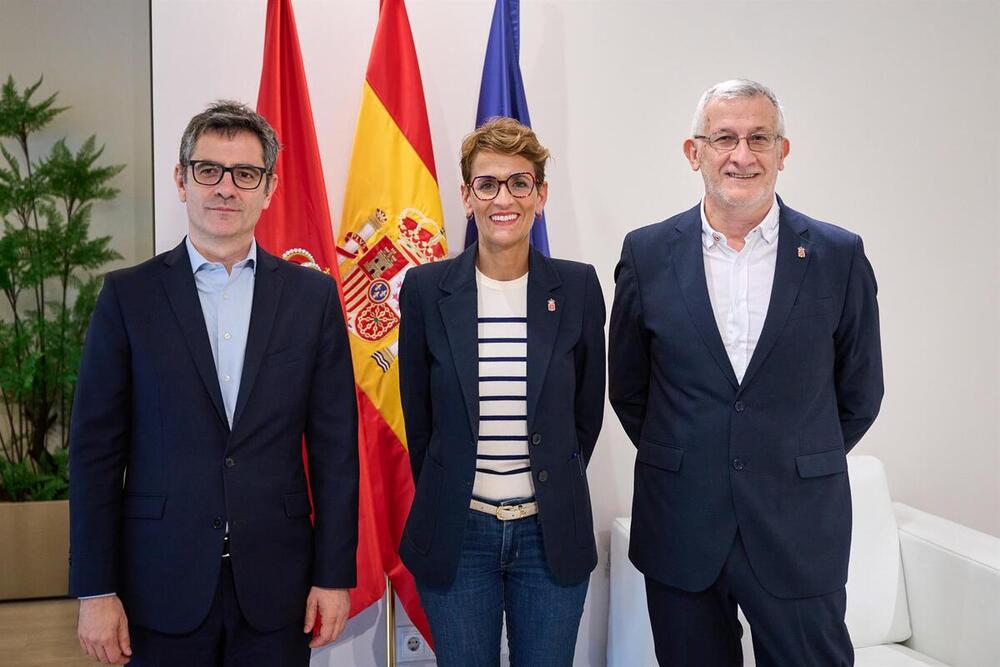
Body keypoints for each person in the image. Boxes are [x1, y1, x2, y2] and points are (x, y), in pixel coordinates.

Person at [69, 101, 359, 666]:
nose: (226, 188)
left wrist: (334, 575)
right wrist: (96, 589)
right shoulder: (128, 298)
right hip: (159, 584)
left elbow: (335, 451)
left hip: (279, 588)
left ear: (268, 188)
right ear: (182, 181)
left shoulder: (312, 298)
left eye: (245, 174)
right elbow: (95, 454)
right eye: (208, 170)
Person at [609, 79, 884, 666]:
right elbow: (631, 389)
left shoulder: (839, 255)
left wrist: (785, 452)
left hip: (798, 528)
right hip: (682, 524)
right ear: (695, 152)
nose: (742, 155)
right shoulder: (647, 253)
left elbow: (860, 393)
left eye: (760, 138)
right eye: (724, 138)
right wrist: (694, 451)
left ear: (784, 151)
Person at [397, 117, 605, 666]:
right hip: (458, 534)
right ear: (467, 197)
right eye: (487, 184)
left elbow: (586, 415)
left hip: (549, 534)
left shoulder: (578, 286)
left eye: (519, 182)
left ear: (541, 194)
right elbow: (418, 418)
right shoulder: (425, 291)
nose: (503, 198)